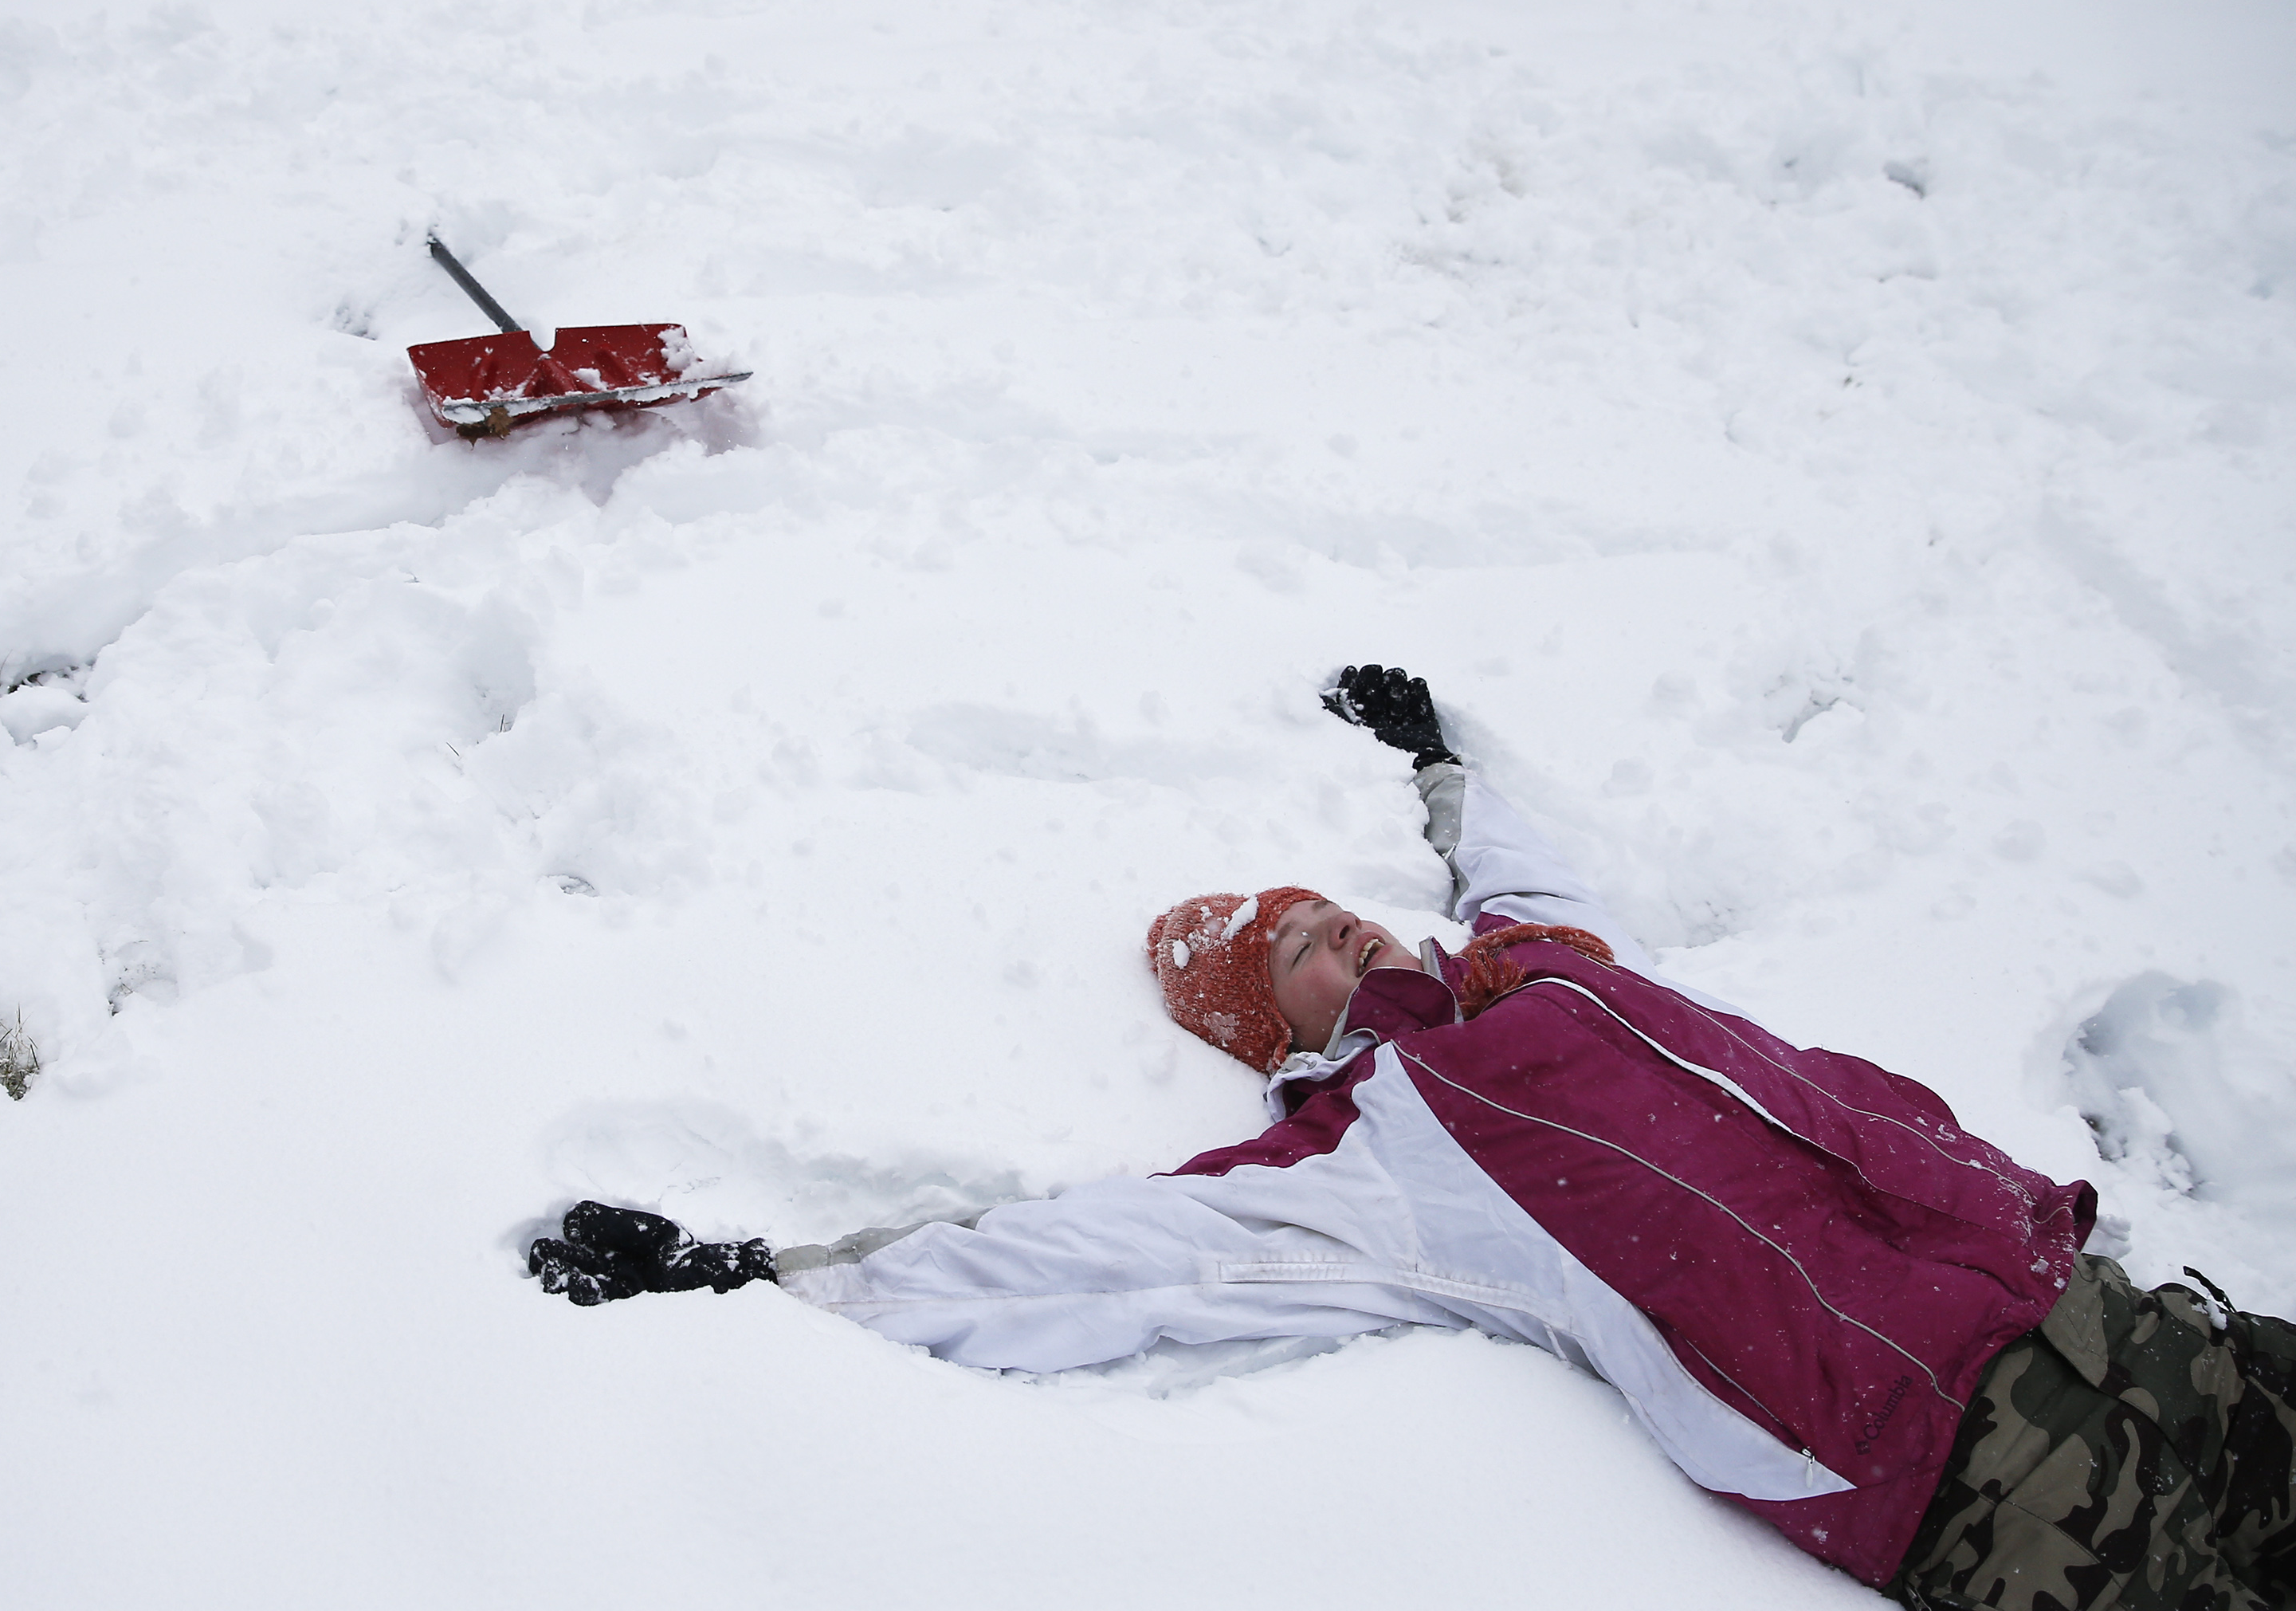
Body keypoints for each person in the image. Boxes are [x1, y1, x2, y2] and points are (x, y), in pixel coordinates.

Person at [527, 666, 2296, 1611]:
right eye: (1294, 953)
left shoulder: (1540, 969)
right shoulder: (1378, 1162)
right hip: (1983, 1478)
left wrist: (1436, 757)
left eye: (1331, 912)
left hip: (2115, 1312)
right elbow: (1087, 1263)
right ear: (1273, 1030)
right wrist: (742, 1270)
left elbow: (1523, 869)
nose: (1343, 936)